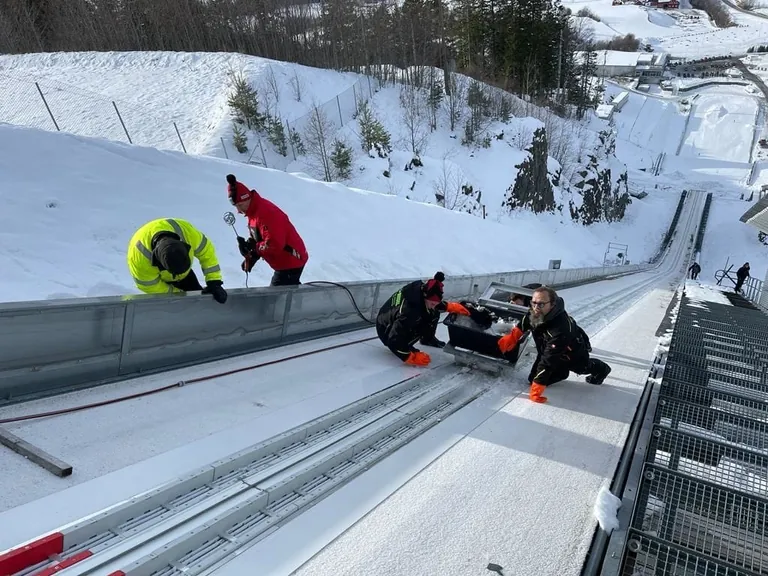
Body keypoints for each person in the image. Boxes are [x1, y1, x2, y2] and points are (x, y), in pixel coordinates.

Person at [497, 285, 610, 403]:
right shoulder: (537, 311)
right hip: (546, 348)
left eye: (540, 304)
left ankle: (603, 369)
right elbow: (526, 320)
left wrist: (537, 389)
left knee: (583, 367)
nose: (535, 307)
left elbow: (548, 360)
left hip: (570, 354)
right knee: (532, 379)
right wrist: (513, 336)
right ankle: (561, 372)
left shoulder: (560, 329)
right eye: (533, 303)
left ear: (552, 304)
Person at [226, 173, 308, 286]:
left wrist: (255, 248)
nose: (239, 210)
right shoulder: (252, 212)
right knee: (286, 293)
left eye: (240, 205)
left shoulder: (265, 213)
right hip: (284, 261)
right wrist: (252, 254)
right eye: (236, 207)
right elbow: (259, 236)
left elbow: (274, 244)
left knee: (275, 299)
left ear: (247, 198)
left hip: (291, 260)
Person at [377, 272, 471, 366]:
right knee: (424, 317)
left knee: (432, 312)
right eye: (433, 303)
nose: (434, 306)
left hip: (392, 319)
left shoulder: (421, 289)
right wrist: (409, 356)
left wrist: (448, 306)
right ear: (425, 296)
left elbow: (432, 301)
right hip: (386, 331)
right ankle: (407, 347)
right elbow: (393, 339)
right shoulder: (409, 311)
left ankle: (428, 339)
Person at [127, 217, 227, 303]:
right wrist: (178, 295)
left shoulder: (188, 234)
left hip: (187, 277)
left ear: (186, 247)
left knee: (198, 303)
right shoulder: (140, 258)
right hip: (162, 283)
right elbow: (149, 285)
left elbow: (207, 252)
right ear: (158, 263)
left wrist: (214, 281)